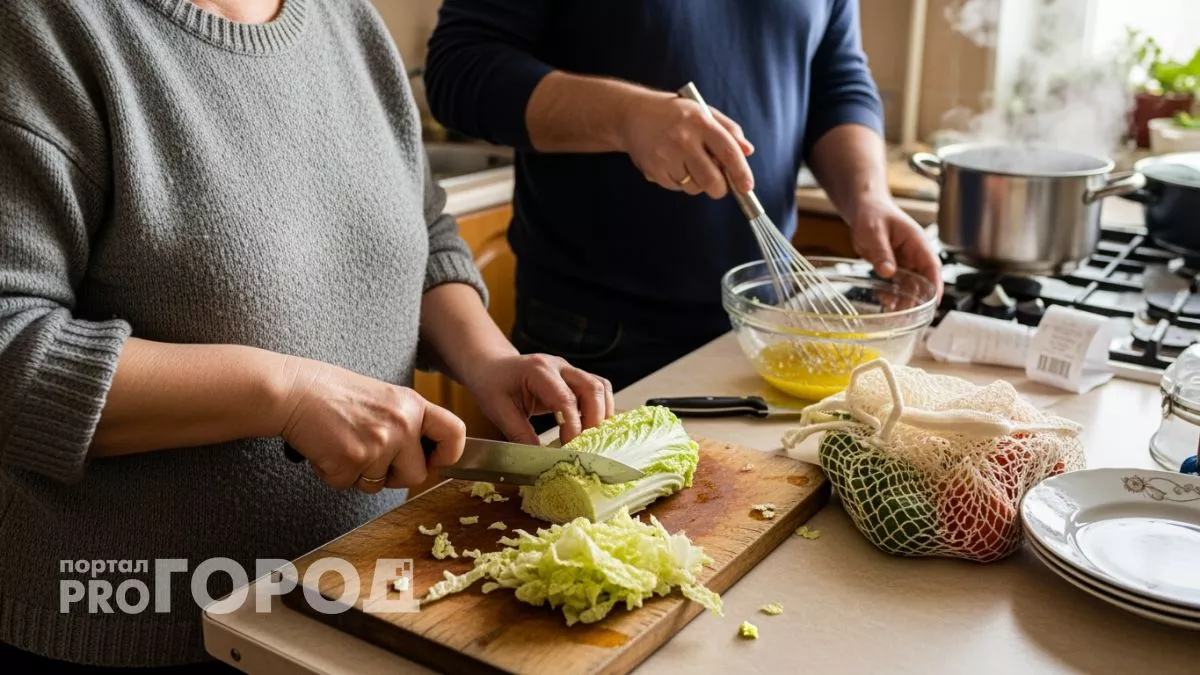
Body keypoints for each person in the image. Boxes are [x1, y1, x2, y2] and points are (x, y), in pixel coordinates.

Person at [0, 0, 612, 671]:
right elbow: (12, 345)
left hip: (353, 602)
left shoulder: (345, 18)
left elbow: (426, 228)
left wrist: (488, 358)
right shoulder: (43, 29)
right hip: (136, 623)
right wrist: (284, 394)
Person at [425, 0, 944, 394]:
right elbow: (459, 69)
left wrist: (868, 197)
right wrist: (628, 118)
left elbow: (836, 75)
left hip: (768, 324)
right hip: (599, 339)